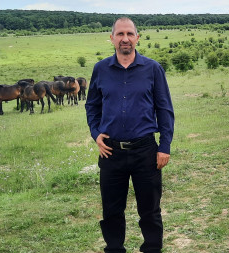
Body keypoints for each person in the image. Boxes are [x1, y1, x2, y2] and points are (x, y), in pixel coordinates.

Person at [85, 17, 174, 253]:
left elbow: (164, 109)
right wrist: (96, 134)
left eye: (130, 34)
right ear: (112, 38)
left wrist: (164, 146)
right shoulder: (100, 69)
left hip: (146, 151)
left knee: (150, 210)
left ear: (137, 37)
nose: (125, 39)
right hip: (111, 152)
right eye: (120, 34)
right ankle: (114, 249)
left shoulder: (152, 69)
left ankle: (152, 249)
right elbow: (92, 106)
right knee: (112, 210)